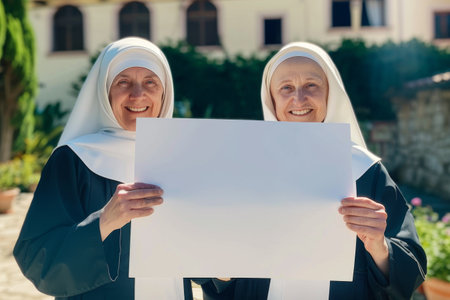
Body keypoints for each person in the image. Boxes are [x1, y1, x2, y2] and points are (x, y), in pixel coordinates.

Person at [191, 42, 427, 299]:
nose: (299, 99)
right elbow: (214, 272)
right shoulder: (242, 169)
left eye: (311, 85)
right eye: (286, 88)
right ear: (271, 98)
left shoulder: (365, 170)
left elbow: (408, 267)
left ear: (330, 93)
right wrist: (224, 264)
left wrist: (378, 245)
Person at [13, 37, 184, 299]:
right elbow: (36, 259)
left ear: (165, 92)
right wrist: (104, 222)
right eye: (123, 82)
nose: (137, 94)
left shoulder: (181, 158)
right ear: (105, 91)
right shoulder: (74, 159)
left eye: (150, 82)